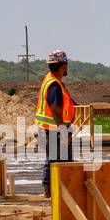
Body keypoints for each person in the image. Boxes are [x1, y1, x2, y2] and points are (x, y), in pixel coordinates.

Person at [35, 50, 76, 198]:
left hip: (48, 129)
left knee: (54, 159)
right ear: (63, 66)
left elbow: (61, 104)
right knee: (56, 161)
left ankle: (53, 193)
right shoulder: (54, 85)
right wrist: (63, 130)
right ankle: (52, 194)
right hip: (53, 130)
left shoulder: (51, 80)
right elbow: (55, 109)